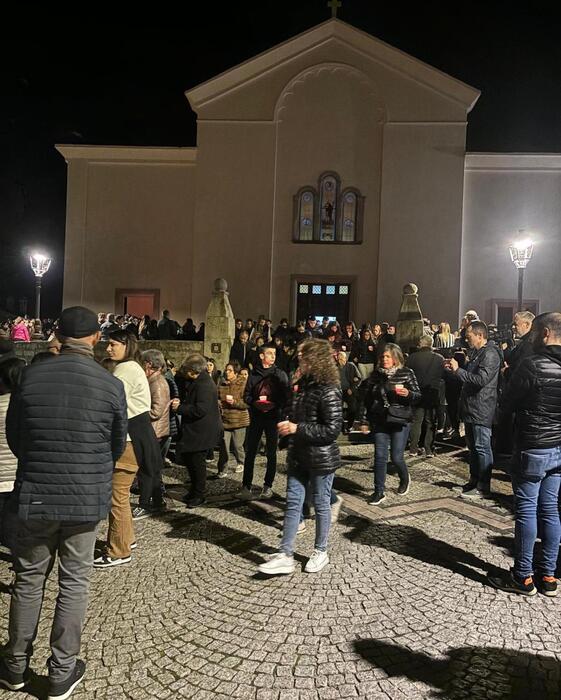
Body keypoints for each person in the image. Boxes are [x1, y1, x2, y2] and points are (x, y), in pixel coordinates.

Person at [0, 306, 127, 698]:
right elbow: (116, 444)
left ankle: (15, 666)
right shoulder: (110, 385)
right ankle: (61, 671)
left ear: (59, 335)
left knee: (29, 579)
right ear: (93, 339)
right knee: (74, 583)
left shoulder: (31, 377)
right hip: (85, 500)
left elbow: (16, 437)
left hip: (37, 491)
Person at [488, 312, 561, 596]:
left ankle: (523, 577)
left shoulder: (532, 365)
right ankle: (549, 577)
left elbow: (507, 403)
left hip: (533, 445)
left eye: (534, 332)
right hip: (558, 447)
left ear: (544, 333)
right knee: (551, 509)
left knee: (528, 510)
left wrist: (508, 377)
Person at [258, 339, 342, 575]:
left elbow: (332, 430)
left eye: (304, 357)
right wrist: (286, 426)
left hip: (321, 457)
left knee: (321, 504)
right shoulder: (302, 385)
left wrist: (297, 429)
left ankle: (321, 551)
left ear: (316, 360)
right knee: (294, 503)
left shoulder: (329, 389)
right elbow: (294, 413)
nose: (299, 361)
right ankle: (285, 554)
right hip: (299, 454)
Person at [105, 330, 164, 524]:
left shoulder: (127, 368)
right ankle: (154, 501)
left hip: (134, 424)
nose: (108, 348)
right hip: (139, 423)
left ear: (126, 345)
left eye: (113, 344)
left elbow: (113, 402)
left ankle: (147, 504)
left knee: (144, 466)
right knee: (148, 464)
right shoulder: (130, 367)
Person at [447, 320, 501, 497]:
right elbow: (471, 378)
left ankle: (483, 486)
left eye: (469, 336)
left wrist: (459, 371)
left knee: (482, 447)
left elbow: (481, 380)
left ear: (479, 335)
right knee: (473, 447)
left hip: (482, 408)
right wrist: (455, 372)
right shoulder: (478, 353)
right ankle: (474, 481)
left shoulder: (490, 354)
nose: (466, 339)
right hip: (472, 407)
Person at [363, 343, 420, 504]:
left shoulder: (406, 373)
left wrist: (408, 394)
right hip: (380, 419)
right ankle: (379, 491)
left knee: (396, 457)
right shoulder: (375, 375)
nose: (384, 359)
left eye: (388, 356)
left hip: (400, 420)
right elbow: (367, 399)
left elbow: (418, 396)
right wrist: (365, 420)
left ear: (396, 357)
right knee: (380, 456)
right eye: (382, 356)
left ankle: (404, 477)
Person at [238, 346, 290, 500]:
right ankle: (246, 486)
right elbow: (246, 395)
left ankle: (268, 486)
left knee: (271, 453)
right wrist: (255, 403)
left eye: (274, 353)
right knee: (250, 452)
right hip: (256, 417)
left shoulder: (279, 374)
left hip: (273, 417)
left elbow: (286, 396)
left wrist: (273, 405)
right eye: (269, 353)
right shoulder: (253, 375)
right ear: (261, 356)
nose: (273, 356)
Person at [171, 354, 223, 508]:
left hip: (202, 431)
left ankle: (199, 494)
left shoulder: (205, 384)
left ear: (193, 371)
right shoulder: (197, 381)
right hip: (196, 430)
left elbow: (200, 409)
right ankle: (194, 491)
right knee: (191, 462)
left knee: (197, 464)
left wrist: (179, 408)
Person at [406, 335, 445, 457]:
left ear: (421, 344)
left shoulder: (412, 358)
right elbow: (442, 376)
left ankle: (413, 448)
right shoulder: (439, 358)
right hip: (432, 392)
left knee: (416, 421)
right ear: (431, 344)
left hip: (416, 392)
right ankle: (429, 449)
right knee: (430, 421)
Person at [217, 361, 249, 476]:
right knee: (224, 446)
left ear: (235, 373)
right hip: (225, 420)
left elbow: (246, 403)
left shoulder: (243, 384)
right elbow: (218, 398)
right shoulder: (222, 384)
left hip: (239, 420)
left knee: (237, 445)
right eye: (226, 370)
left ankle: (241, 462)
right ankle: (222, 469)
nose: (227, 372)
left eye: (230, 370)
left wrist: (234, 402)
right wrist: (219, 403)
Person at [140, 350, 171, 455]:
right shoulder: (153, 380)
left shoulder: (157, 383)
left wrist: (138, 414)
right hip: (153, 430)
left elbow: (156, 412)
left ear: (148, 364)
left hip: (155, 431)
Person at [336, 350, 361, 433]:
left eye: (342, 359)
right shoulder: (334, 367)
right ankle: (342, 427)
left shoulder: (351, 366)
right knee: (338, 409)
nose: (340, 361)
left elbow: (358, 378)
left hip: (349, 390)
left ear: (345, 358)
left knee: (352, 408)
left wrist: (352, 388)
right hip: (338, 391)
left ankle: (350, 425)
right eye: (339, 359)